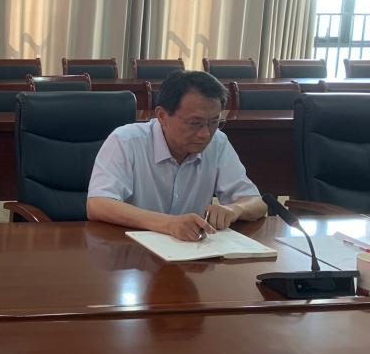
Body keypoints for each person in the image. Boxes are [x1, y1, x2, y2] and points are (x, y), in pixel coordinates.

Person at [87, 69, 266, 241]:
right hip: (131, 250)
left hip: (192, 252)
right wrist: (168, 223)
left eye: (214, 122)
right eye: (195, 123)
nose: (205, 134)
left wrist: (235, 210)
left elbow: (257, 203)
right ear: (162, 116)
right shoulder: (126, 141)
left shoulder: (218, 142)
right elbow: (98, 204)